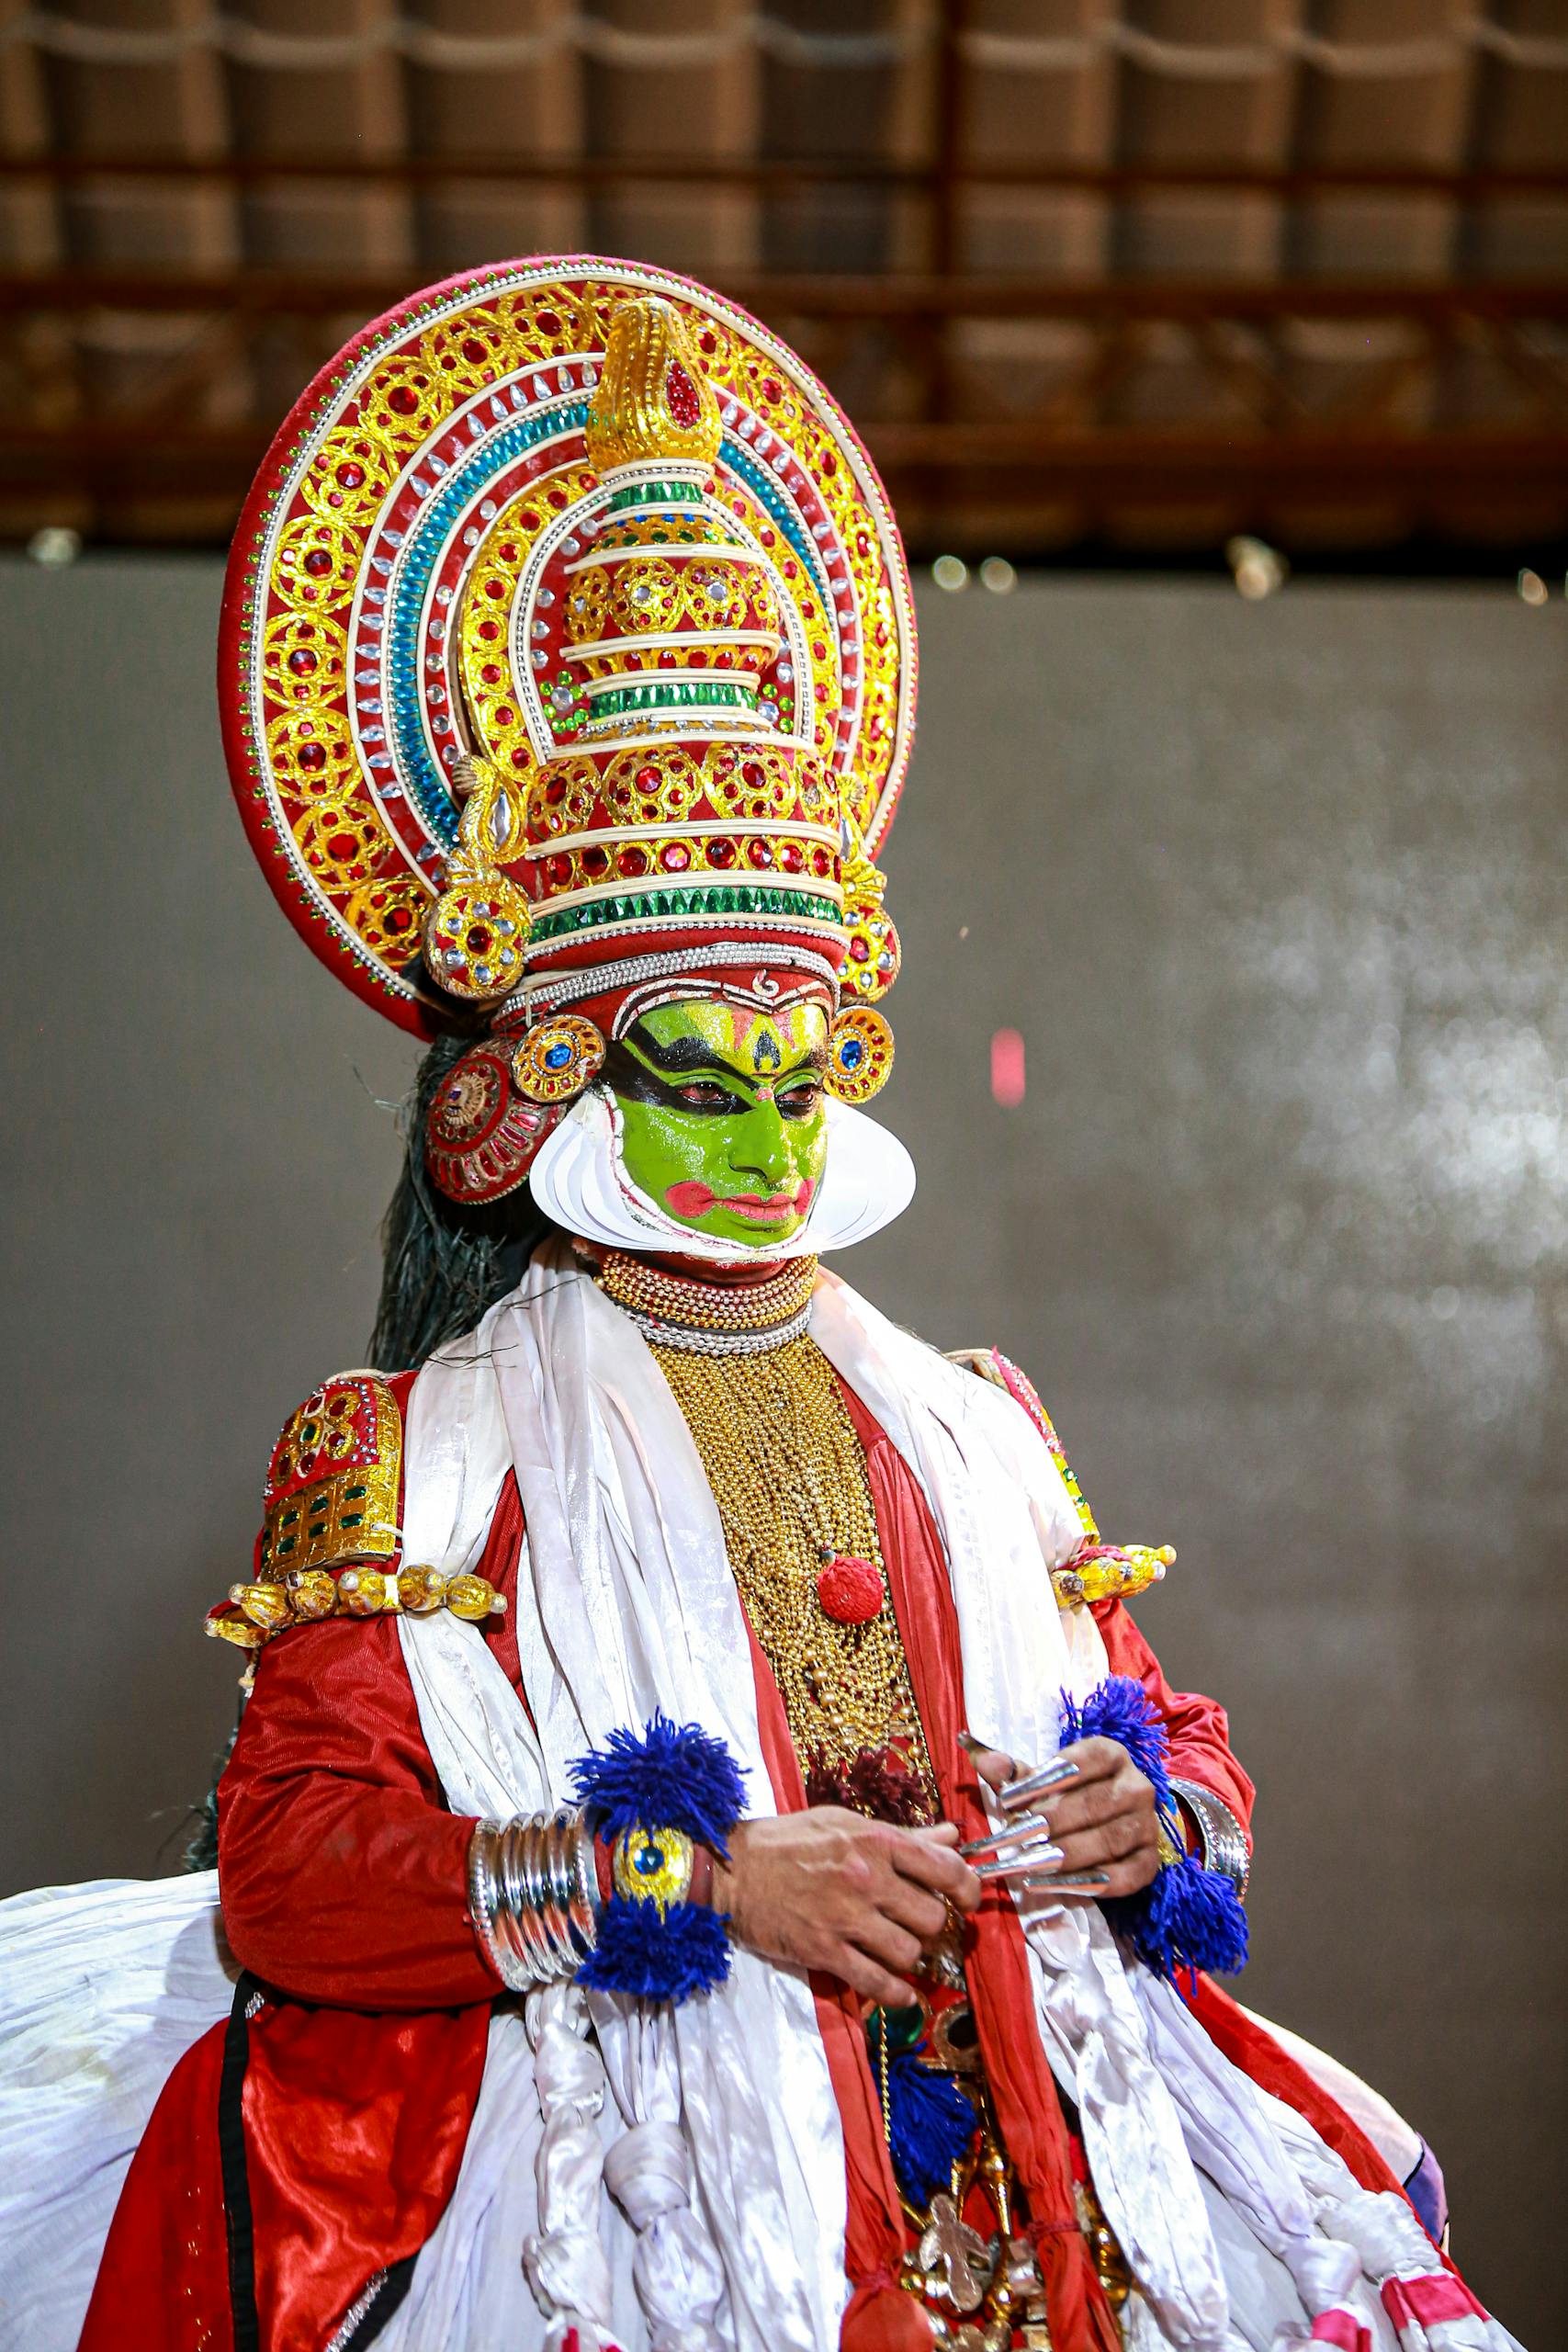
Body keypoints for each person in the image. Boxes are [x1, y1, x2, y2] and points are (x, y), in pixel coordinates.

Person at [0, 260, 1516, 2352]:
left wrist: (1148, 1807)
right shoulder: (412, 1452)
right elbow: (295, 1871)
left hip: (1053, 2181)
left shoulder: (974, 1414)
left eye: (806, 1075)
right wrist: (700, 1888)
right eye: (702, 1075)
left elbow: (1174, 1729)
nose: (765, 1136)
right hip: (649, 2199)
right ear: (536, 1090)